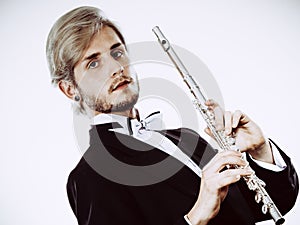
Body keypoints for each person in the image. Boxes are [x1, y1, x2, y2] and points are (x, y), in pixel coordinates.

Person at [46, 6, 298, 225]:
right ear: (70, 89)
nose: (116, 67)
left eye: (117, 52)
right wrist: (195, 218)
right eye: (93, 62)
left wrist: (260, 150)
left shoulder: (186, 138)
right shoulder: (90, 176)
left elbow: (269, 206)